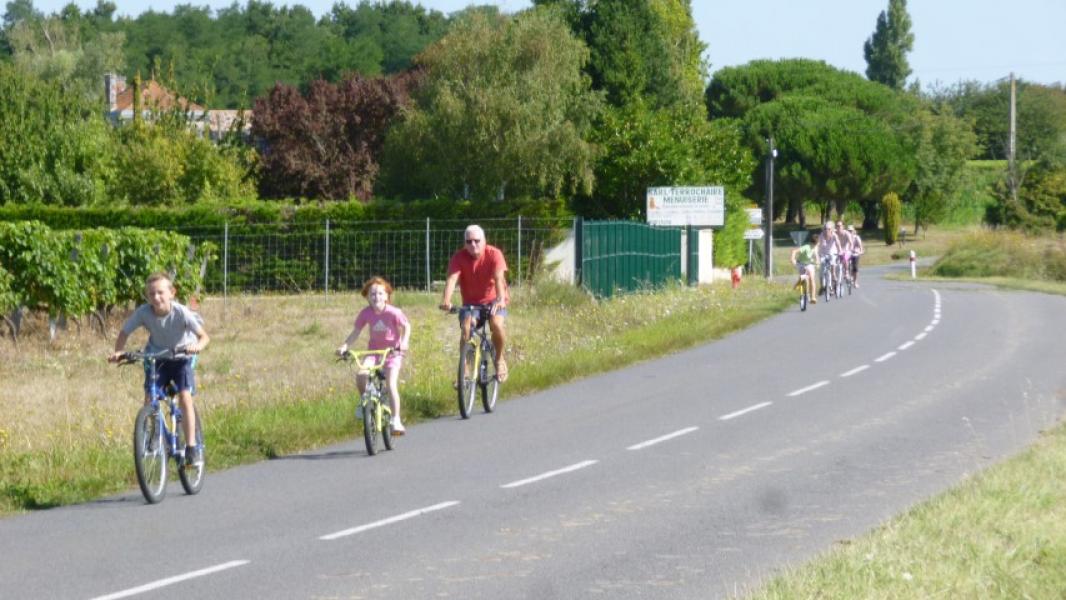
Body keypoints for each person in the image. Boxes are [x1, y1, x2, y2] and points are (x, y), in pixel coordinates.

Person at [109, 272, 210, 467]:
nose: (156, 298)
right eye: (151, 294)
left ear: (172, 293)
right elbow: (124, 332)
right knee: (150, 397)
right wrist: (119, 352)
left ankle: (191, 447)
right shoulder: (144, 312)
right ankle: (154, 437)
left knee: (184, 397)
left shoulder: (181, 312)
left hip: (182, 357)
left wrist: (196, 346)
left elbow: (204, 336)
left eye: (160, 293)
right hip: (157, 358)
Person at [336, 276, 411, 435]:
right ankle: (365, 402)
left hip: (392, 353)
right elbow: (356, 332)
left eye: (380, 293)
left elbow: (406, 326)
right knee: (361, 376)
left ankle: (396, 420)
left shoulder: (393, 312)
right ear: (367, 297)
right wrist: (344, 346)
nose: (376, 297)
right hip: (374, 352)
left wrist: (404, 342)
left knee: (391, 384)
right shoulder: (366, 313)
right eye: (372, 294)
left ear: (386, 296)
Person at [439, 224, 509, 383]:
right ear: (464, 243)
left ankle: (499, 360)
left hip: (494, 300)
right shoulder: (459, 257)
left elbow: (499, 278)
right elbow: (452, 279)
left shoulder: (494, 254)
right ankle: (464, 369)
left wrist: (500, 298)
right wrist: (446, 300)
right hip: (471, 304)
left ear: (484, 241)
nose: (473, 245)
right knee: (466, 327)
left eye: (477, 241)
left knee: (496, 324)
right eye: (469, 241)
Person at [790, 231, 819, 303]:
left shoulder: (815, 248)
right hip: (801, 263)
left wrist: (818, 262)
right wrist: (792, 259)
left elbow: (816, 255)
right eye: (814, 244)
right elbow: (794, 251)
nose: (815, 245)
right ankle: (801, 288)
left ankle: (813, 297)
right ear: (812, 243)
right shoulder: (806, 247)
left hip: (809, 264)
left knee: (812, 278)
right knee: (803, 278)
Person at [817, 222, 843, 295]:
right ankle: (822, 287)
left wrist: (840, 251)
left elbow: (838, 244)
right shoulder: (821, 235)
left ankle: (833, 276)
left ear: (831, 230)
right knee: (821, 272)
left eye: (828, 229)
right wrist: (816, 253)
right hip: (823, 254)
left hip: (832, 253)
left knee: (832, 260)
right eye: (825, 229)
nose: (826, 230)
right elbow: (818, 244)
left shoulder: (834, 235)